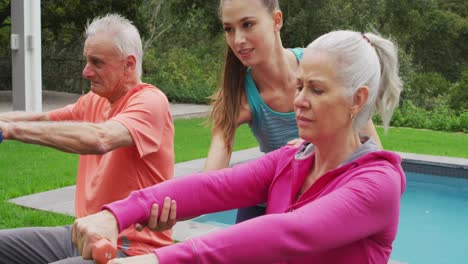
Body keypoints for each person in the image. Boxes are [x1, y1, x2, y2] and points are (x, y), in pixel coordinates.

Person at [72, 29, 406, 264]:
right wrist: (117, 215)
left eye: (316, 90)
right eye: (300, 85)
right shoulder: (293, 157)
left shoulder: (377, 183)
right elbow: (213, 187)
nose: (299, 101)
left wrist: (159, 258)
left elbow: (288, 232)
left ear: (356, 100)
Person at [0, 14, 174, 263]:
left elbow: (101, 139)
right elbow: (42, 120)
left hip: (130, 248)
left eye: (97, 63)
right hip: (83, 235)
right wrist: (4, 121)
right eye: (86, 61)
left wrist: (9, 131)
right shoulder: (95, 100)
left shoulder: (150, 102)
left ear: (129, 64)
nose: (85, 71)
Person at [206, 0, 382, 223]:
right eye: (229, 29)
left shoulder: (321, 64)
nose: (238, 40)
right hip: (266, 206)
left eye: (248, 24)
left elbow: (373, 152)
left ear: (276, 20)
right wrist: (165, 206)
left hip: (324, 199)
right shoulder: (238, 98)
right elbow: (210, 182)